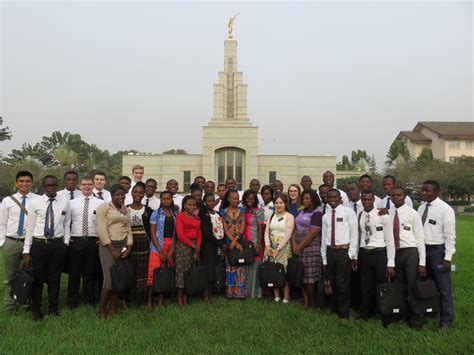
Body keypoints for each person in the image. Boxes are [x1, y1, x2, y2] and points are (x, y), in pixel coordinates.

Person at [23, 175, 70, 320]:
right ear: (43, 187)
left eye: (54, 185)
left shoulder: (64, 202)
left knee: (54, 278)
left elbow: (66, 223)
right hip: (39, 244)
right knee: (37, 278)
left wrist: (66, 242)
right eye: (48, 185)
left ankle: (53, 308)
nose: (51, 188)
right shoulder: (34, 203)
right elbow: (30, 228)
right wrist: (26, 250)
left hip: (57, 245)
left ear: (57, 186)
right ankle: (36, 309)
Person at [418, 180, 455, 329]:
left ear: (437, 192)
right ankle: (431, 312)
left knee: (444, 288)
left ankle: (447, 320)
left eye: (428, 191)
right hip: (422, 250)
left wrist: (447, 258)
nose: (424, 193)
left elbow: (450, 236)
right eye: (423, 190)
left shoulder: (445, 209)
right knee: (427, 284)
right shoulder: (421, 207)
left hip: (437, 251)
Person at [0, 171, 39, 312]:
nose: (24, 184)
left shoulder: (38, 199)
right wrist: (2, 242)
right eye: (21, 181)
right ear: (16, 183)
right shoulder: (7, 201)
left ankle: (26, 302)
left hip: (31, 242)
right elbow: (2, 223)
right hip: (11, 242)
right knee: (10, 276)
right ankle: (10, 305)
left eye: (27, 181)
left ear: (32, 183)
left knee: (29, 274)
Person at [355, 190, 395, 321]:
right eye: (364, 200)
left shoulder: (382, 215)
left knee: (381, 284)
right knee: (365, 285)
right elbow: (358, 237)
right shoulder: (360, 214)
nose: (366, 202)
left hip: (379, 253)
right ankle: (366, 312)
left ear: (373, 200)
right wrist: (355, 256)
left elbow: (390, 240)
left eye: (369, 200)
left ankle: (384, 312)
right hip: (365, 253)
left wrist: (390, 263)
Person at [64, 175, 104, 308]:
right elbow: (67, 223)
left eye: (89, 184)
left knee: (90, 272)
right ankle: (72, 301)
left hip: (93, 242)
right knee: (74, 273)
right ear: (80, 186)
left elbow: (102, 223)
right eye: (84, 184)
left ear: (93, 185)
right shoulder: (72, 203)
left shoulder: (100, 203)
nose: (86, 186)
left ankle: (88, 299)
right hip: (76, 240)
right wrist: (68, 239)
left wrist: (101, 239)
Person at [389, 186, 426, 329]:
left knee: (412, 285)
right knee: (399, 285)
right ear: (390, 198)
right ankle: (401, 315)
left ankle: (416, 317)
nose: (396, 197)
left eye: (399, 195)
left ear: (405, 196)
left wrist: (422, 262)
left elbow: (420, 238)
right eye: (394, 195)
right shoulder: (389, 214)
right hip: (395, 253)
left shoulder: (413, 214)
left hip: (410, 252)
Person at [96, 184, 133, 320]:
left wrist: (128, 247)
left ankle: (112, 309)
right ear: (111, 195)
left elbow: (128, 228)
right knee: (109, 280)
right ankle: (102, 311)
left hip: (122, 245)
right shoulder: (104, 208)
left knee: (118, 278)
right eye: (117, 194)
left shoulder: (125, 209)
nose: (120, 197)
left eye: (122, 194)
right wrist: (112, 249)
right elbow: (101, 229)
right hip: (108, 246)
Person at [321, 189, 358, 320]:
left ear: (339, 198)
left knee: (343, 284)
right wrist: (324, 259)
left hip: (344, 251)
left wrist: (352, 254)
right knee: (333, 282)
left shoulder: (348, 212)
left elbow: (354, 233)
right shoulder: (325, 216)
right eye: (329, 197)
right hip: (331, 251)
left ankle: (344, 313)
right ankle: (334, 308)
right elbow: (324, 238)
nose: (332, 199)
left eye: (335, 197)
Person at [291, 189, 323, 308]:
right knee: (302, 275)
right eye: (304, 198)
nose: (305, 200)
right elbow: (294, 228)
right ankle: (306, 302)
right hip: (299, 247)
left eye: (308, 198)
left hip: (310, 247)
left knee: (310, 277)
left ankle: (313, 303)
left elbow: (313, 233)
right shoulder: (302, 211)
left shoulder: (317, 213)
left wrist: (299, 246)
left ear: (314, 199)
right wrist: (294, 245)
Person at [147, 191, 176, 309]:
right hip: (157, 246)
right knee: (153, 273)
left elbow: (176, 234)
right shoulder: (156, 214)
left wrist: (171, 251)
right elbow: (152, 233)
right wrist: (160, 250)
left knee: (165, 274)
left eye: (168, 198)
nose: (166, 201)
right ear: (161, 200)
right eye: (164, 199)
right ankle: (149, 301)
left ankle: (160, 300)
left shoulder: (174, 214)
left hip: (170, 245)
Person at [264, 193, 294, 303]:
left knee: (282, 271)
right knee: (272, 270)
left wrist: (278, 248)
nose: (278, 205)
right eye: (276, 203)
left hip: (283, 246)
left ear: (285, 203)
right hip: (270, 246)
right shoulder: (271, 216)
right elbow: (266, 232)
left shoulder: (289, 216)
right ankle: (276, 296)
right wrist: (268, 247)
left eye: (281, 202)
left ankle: (286, 297)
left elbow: (288, 234)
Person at [126, 182, 152, 305]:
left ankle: (142, 297)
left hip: (144, 244)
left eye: (140, 193)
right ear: (132, 193)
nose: (138, 194)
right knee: (131, 270)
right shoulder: (125, 209)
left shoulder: (148, 210)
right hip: (130, 243)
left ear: (144, 195)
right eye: (135, 192)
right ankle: (129, 298)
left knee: (143, 270)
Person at [175, 196, 201, 307]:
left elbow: (199, 234)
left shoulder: (197, 218)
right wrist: (193, 245)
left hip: (195, 246)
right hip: (183, 246)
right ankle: (179, 299)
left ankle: (186, 297)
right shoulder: (180, 216)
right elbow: (180, 235)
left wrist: (197, 249)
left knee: (190, 272)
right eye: (189, 205)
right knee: (182, 272)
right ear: (184, 205)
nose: (192, 207)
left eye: (194, 205)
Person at [221, 189, 247, 299]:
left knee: (240, 266)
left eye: (237, 198)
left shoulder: (242, 211)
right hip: (228, 242)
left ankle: (240, 292)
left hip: (240, 241)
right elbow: (225, 228)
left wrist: (235, 241)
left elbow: (242, 227)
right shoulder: (223, 211)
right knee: (230, 266)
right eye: (234, 198)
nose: (236, 200)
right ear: (228, 199)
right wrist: (231, 241)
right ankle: (230, 292)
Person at [199, 193, 225, 303]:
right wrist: (220, 244)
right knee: (208, 271)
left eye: (212, 201)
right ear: (204, 202)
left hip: (218, 246)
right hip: (209, 246)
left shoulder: (217, 213)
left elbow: (221, 229)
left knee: (214, 270)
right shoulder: (203, 214)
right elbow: (207, 234)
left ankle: (211, 293)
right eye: (208, 201)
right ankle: (205, 296)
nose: (211, 203)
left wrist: (222, 243)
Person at [242, 189, 264, 299]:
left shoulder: (258, 211)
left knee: (255, 266)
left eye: (252, 198)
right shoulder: (243, 211)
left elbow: (261, 228)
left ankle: (255, 293)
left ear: (255, 200)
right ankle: (246, 292)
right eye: (247, 198)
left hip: (255, 241)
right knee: (246, 266)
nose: (249, 200)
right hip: (245, 242)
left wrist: (259, 245)